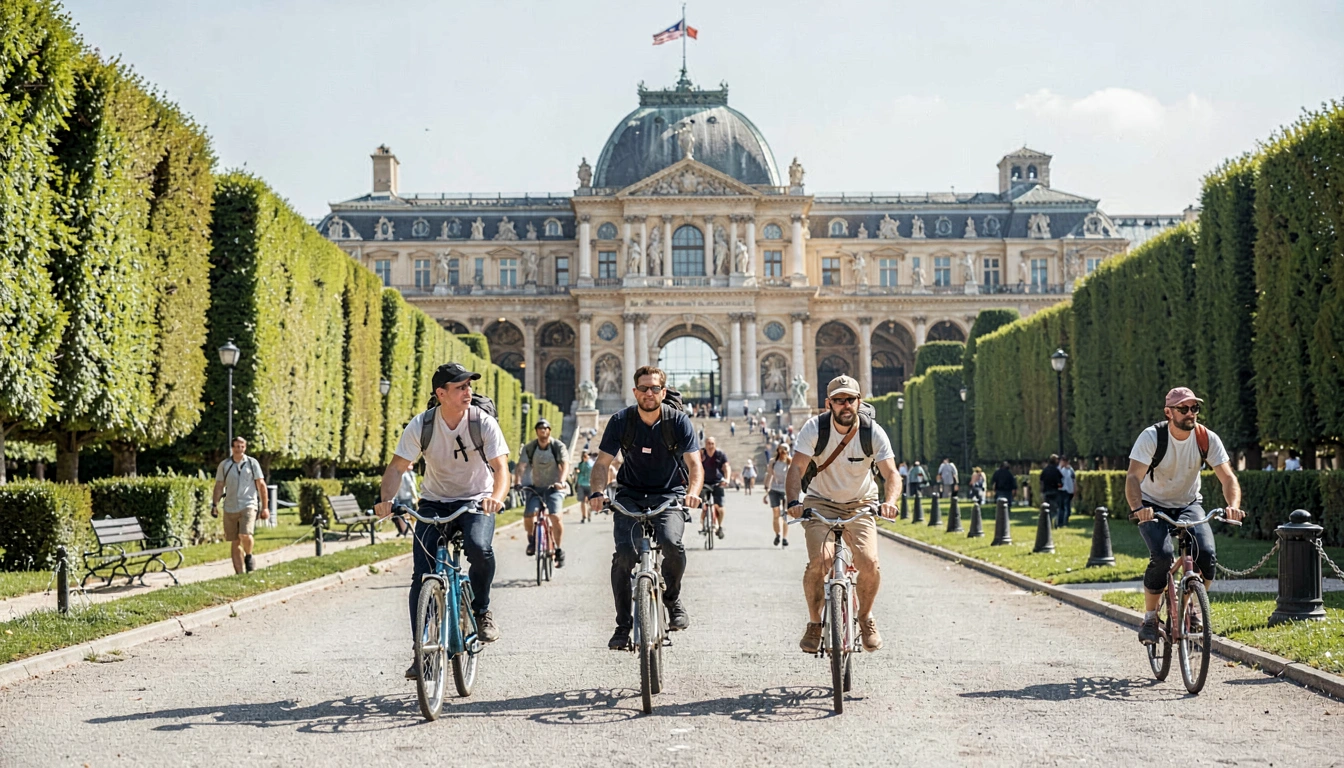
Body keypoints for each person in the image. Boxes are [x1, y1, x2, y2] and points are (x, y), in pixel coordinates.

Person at [374, 363, 510, 677]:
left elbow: (501, 469)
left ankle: (482, 610)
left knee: (478, 548)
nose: (468, 392)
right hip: (435, 501)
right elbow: (397, 468)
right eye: (461, 387)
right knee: (421, 574)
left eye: (469, 386)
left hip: (477, 499)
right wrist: (385, 501)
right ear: (441, 394)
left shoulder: (482, 422)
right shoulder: (422, 425)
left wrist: (497, 498)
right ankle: (420, 649)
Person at [589, 366, 704, 650]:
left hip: (669, 494)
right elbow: (602, 464)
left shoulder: (678, 422)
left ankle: (673, 600)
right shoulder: (621, 421)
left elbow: (695, 465)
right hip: (630, 494)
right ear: (634, 392)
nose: (649, 393)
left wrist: (692, 493)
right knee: (624, 556)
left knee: (671, 544)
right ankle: (622, 625)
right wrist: (597, 492)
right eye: (643, 388)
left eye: (654, 388)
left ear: (663, 392)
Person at [785, 375, 900, 652]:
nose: (845, 405)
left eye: (850, 399)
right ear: (828, 404)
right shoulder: (814, 429)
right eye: (839, 400)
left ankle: (865, 617)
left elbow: (891, 473)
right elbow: (797, 469)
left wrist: (890, 500)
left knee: (869, 562)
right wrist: (793, 500)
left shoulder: (872, 432)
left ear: (858, 401)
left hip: (861, 504)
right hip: (820, 502)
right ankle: (815, 623)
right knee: (819, 562)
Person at [1128, 386, 1244, 645]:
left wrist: (1233, 504)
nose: (1190, 413)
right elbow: (1134, 477)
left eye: (1194, 408)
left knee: (1207, 555)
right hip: (1152, 504)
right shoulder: (1152, 437)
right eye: (1183, 409)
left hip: (1188, 504)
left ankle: (1191, 603)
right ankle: (1150, 618)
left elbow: (1227, 478)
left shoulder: (1206, 438)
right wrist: (1139, 508)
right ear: (1169, 412)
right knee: (1162, 557)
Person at [211, 436, 269, 574]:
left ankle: (249, 556)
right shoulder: (225, 465)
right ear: (232, 448)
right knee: (234, 540)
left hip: (248, 504)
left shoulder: (252, 463)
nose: (239, 449)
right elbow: (219, 485)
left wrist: (265, 507)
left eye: (242, 446)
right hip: (230, 507)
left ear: (245, 448)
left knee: (245, 534)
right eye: (237, 446)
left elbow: (261, 485)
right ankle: (239, 574)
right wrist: (214, 504)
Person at [517, 419, 570, 566]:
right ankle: (532, 538)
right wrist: (517, 482)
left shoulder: (557, 446)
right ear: (536, 431)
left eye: (545, 428)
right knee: (528, 515)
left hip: (555, 487)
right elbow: (521, 465)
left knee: (555, 516)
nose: (543, 431)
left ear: (549, 430)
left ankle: (558, 549)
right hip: (536, 487)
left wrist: (562, 481)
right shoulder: (530, 447)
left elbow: (565, 464)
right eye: (540, 428)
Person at [700, 436, 731, 539]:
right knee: (703, 506)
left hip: (718, 482)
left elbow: (726, 467)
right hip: (704, 482)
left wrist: (727, 479)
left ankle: (720, 526)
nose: (710, 446)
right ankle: (703, 524)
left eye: (712, 443)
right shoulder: (701, 454)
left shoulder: (720, 454)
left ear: (715, 444)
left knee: (721, 509)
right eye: (708, 443)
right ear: (705, 444)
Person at [763, 443, 792, 547]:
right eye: (782, 450)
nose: (783, 452)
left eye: (785, 450)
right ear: (778, 450)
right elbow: (769, 475)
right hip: (774, 489)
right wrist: (766, 490)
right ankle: (777, 534)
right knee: (776, 513)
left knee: (785, 515)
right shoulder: (773, 462)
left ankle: (784, 538)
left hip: (786, 491)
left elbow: (794, 477)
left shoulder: (790, 462)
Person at [392, 465, 419, 537]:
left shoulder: (399, 476)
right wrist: (415, 497)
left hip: (403, 499)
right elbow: (411, 486)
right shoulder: (405, 475)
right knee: (407, 516)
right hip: (406, 499)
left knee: (405, 516)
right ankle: (408, 531)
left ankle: (406, 531)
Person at [1039, 455, 1063, 521]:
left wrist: (1041, 491)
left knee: (1047, 508)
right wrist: (1060, 489)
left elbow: (1041, 481)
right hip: (1055, 491)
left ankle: (1048, 521)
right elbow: (1060, 482)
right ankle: (1055, 522)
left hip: (1046, 491)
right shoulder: (1056, 470)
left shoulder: (1045, 470)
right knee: (1056, 508)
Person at [574, 451, 595, 523]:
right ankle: (584, 516)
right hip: (581, 484)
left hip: (589, 485)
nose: (584, 458)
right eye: (583, 456)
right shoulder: (580, 464)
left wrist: (587, 462)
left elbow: (591, 470)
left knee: (589, 501)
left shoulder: (591, 464)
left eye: (586, 456)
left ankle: (589, 514)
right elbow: (578, 472)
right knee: (582, 501)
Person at [1057, 457, 1076, 526]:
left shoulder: (1070, 470)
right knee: (1062, 507)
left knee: (1067, 509)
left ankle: (1064, 521)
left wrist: (1074, 490)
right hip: (1062, 490)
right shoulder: (1059, 469)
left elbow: (1074, 480)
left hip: (1068, 491)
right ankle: (1061, 523)